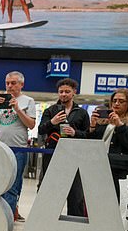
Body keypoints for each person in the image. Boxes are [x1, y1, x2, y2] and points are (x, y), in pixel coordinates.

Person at [37, 78, 90, 216]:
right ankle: (46, 222)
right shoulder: (50, 110)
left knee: (75, 194)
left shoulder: (82, 113)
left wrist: (75, 132)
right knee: (49, 191)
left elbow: (88, 135)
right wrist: (52, 122)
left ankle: (74, 227)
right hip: (52, 154)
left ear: (74, 92)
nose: (64, 94)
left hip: (75, 156)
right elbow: (41, 130)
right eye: (61, 92)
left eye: (67, 91)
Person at [0, 71, 36, 220]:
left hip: (18, 149)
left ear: (21, 84)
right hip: (0, 147)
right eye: (7, 83)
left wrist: (17, 109)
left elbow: (31, 124)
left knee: (13, 185)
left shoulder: (28, 101)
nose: (10, 86)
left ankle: (7, 217)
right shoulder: (1, 99)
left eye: (13, 83)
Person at [87, 88, 128, 201]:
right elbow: (92, 143)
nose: (116, 103)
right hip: (99, 166)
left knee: (116, 204)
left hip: (120, 169)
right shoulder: (104, 119)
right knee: (97, 202)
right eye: (114, 100)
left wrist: (120, 125)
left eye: (121, 101)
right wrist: (92, 126)